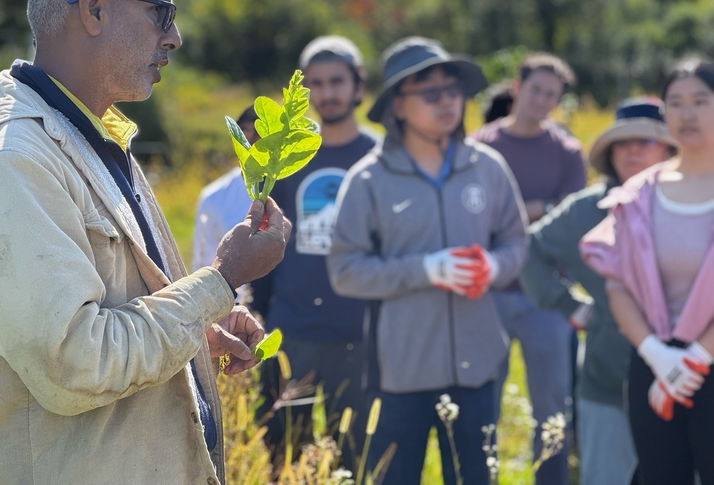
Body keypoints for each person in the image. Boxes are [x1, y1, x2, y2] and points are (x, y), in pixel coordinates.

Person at [0, 0, 291, 484]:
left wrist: (198, 333)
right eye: (162, 14)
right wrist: (221, 280)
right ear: (93, 9)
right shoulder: (9, 164)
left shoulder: (93, 136)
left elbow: (111, 308)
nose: (175, 38)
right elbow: (73, 365)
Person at [327, 37, 528, 485]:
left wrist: (494, 267)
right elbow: (344, 271)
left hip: (479, 364)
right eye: (429, 92)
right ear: (398, 106)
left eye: (452, 90)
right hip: (400, 372)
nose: (446, 102)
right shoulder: (368, 179)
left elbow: (516, 242)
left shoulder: (488, 167)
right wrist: (427, 269)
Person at [520, 97, 674, 485]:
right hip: (608, 381)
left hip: (685, 380)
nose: (633, 150)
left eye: (646, 140)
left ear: (672, 148)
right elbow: (527, 250)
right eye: (623, 142)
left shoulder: (695, 202)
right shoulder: (586, 210)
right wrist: (567, 305)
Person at [581, 59, 714, 485]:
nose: (687, 113)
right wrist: (657, 354)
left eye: (700, 101)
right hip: (651, 362)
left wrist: (695, 359)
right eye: (675, 103)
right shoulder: (638, 193)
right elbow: (617, 283)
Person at [251, 35, 378, 469]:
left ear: (359, 86)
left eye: (338, 81)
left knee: (356, 461)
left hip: (361, 332)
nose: (328, 93)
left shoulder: (381, 157)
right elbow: (265, 238)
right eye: (317, 84)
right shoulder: (287, 157)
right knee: (284, 458)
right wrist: (260, 314)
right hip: (293, 330)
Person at [472, 52, 586, 485]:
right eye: (535, 89)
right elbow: (474, 217)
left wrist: (516, 210)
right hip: (489, 296)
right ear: (517, 88)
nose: (541, 100)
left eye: (552, 95)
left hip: (549, 299)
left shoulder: (567, 152)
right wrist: (534, 208)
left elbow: (568, 224)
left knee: (553, 409)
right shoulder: (482, 144)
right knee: (484, 405)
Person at [193, 105, 259, 272]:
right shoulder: (214, 196)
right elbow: (203, 260)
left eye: (263, 133)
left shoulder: (292, 189)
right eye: (246, 131)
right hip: (233, 295)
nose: (254, 140)